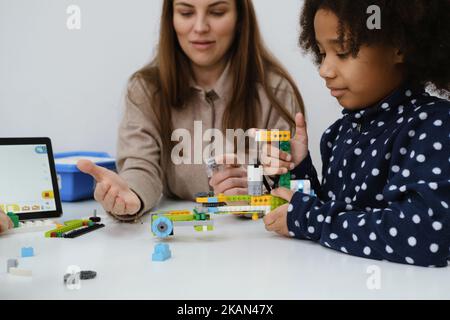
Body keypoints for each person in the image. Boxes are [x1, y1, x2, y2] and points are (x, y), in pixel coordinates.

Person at [77, 0, 304, 221]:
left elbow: (288, 182)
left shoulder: (275, 92)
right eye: (186, 13)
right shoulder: (145, 90)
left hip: (258, 244)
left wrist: (250, 196)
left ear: (240, 18)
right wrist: (130, 195)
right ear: (171, 19)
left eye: (217, 12)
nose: (200, 27)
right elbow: (141, 166)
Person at [262, 0, 450, 267]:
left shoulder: (434, 126)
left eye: (343, 51)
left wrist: (309, 218)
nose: (324, 70)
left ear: (399, 45)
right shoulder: (338, 134)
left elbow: (424, 237)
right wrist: (299, 170)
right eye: (321, 52)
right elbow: (338, 217)